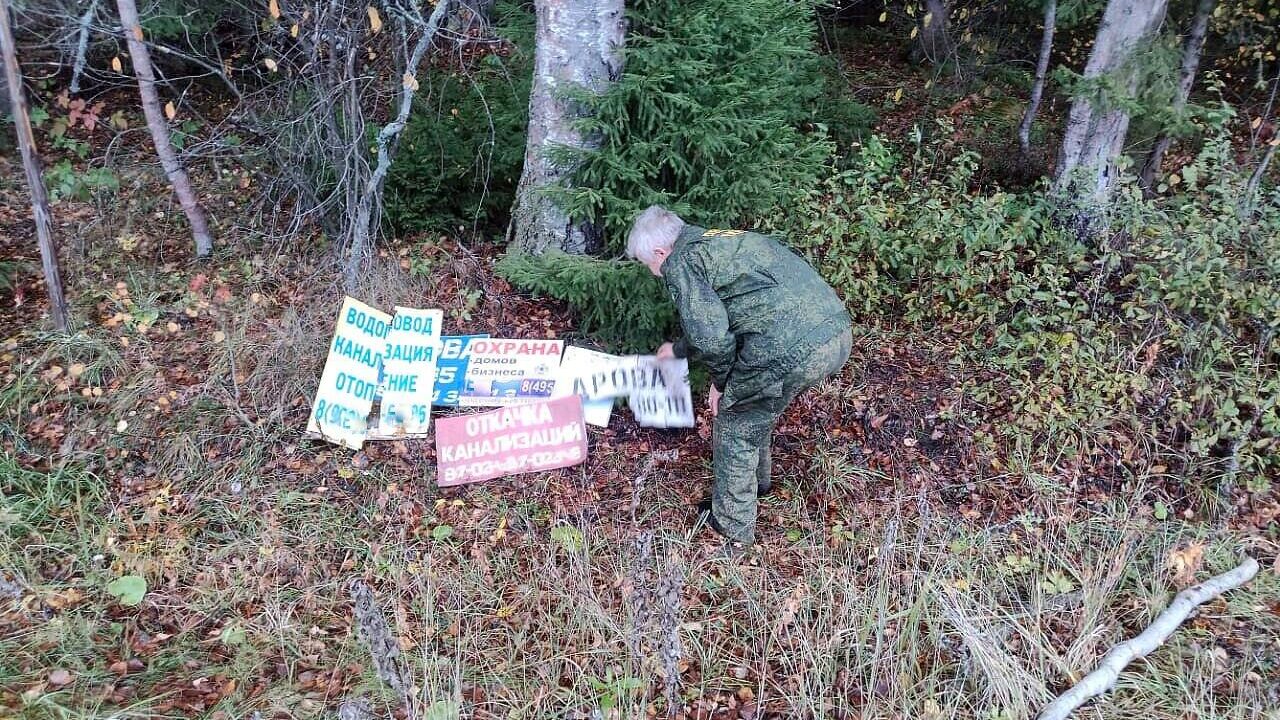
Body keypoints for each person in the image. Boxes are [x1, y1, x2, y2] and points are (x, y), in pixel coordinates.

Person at [626, 205, 853, 550]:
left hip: (784, 346)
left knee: (734, 422)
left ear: (660, 252)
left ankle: (731, 528)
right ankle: (758, 485)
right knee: (754, 409)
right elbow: (726, 315)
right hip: (834, 332)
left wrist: (720, 384)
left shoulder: (682, 262)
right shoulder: (721, 241)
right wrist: (677, 350)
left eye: (650, 266)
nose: (656, 273)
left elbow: (713, 339)